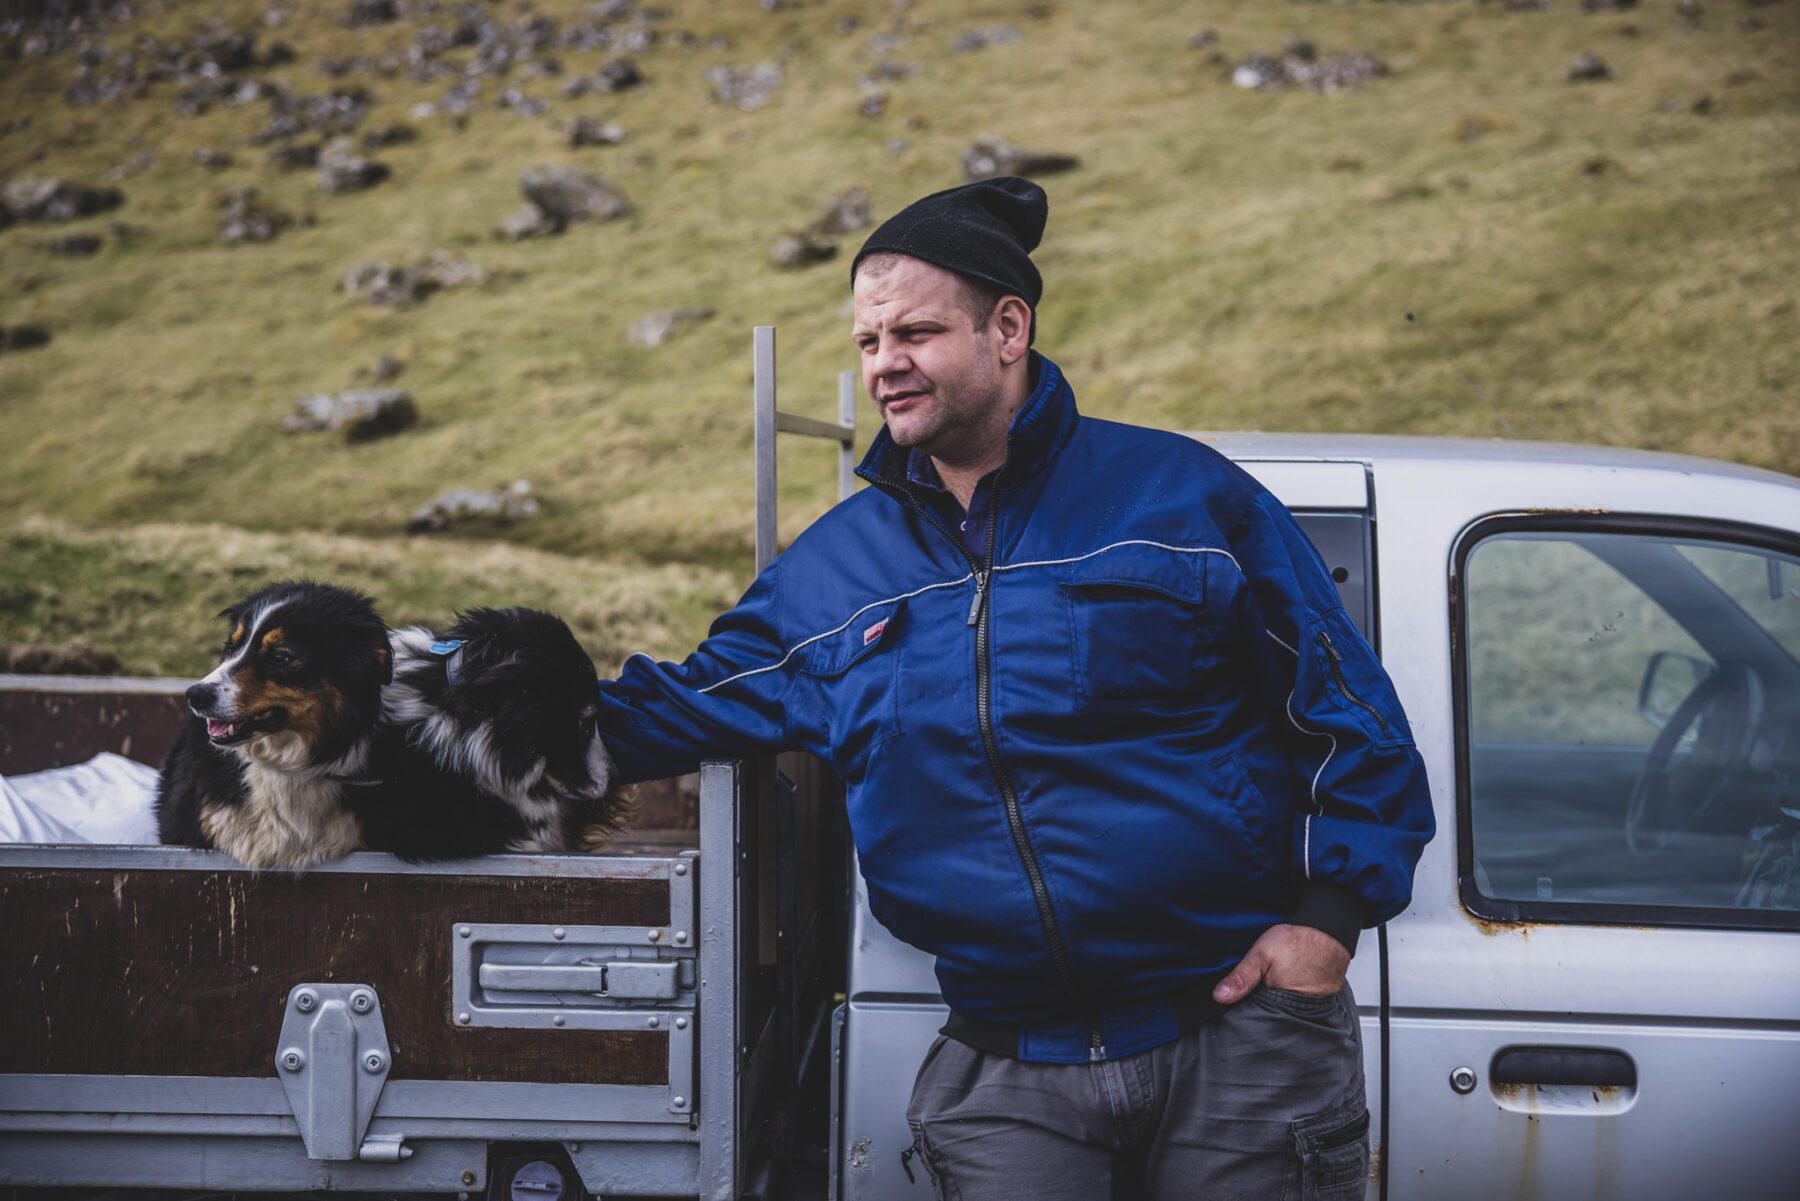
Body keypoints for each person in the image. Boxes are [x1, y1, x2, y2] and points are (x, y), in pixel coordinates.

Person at [596, 177, 1434, 1199]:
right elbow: (679, 704)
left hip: (1235, 1041)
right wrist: (442, 700)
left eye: (913, 333)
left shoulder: (1182, 496)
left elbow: (1350, 713)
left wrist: (1326, 922)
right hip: (1007, 1073)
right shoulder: (835, 569)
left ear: (1008, 327)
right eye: (867, 344)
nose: (884, 367)